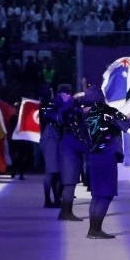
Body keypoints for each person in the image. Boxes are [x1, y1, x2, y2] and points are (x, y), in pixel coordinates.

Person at [81, 86, 130, 239]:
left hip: (92, 156)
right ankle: (96, 230)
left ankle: (93, 229)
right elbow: (126, 124)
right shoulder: (109, 111)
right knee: (106, 195)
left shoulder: (84, 114)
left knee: (96, 195)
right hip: (107, 156)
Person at [55, 84, 90, 222]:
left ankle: (65, 212)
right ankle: (66, 212)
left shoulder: (70, 111)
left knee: (71, 183)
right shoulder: (61, 110)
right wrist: (74, 99)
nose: (68, 96)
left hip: (70, 149)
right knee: (69, 183)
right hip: (69, 149)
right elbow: (63, 113)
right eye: (66, 94)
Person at [37, 85, 63, 208]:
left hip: (50, 139)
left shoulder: (42, 107)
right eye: (51, 92)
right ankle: (49, 200)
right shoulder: (46, 108)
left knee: (55, 171)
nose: (53, 94)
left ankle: (55, 199)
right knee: (52, 171)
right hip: (50, 139)